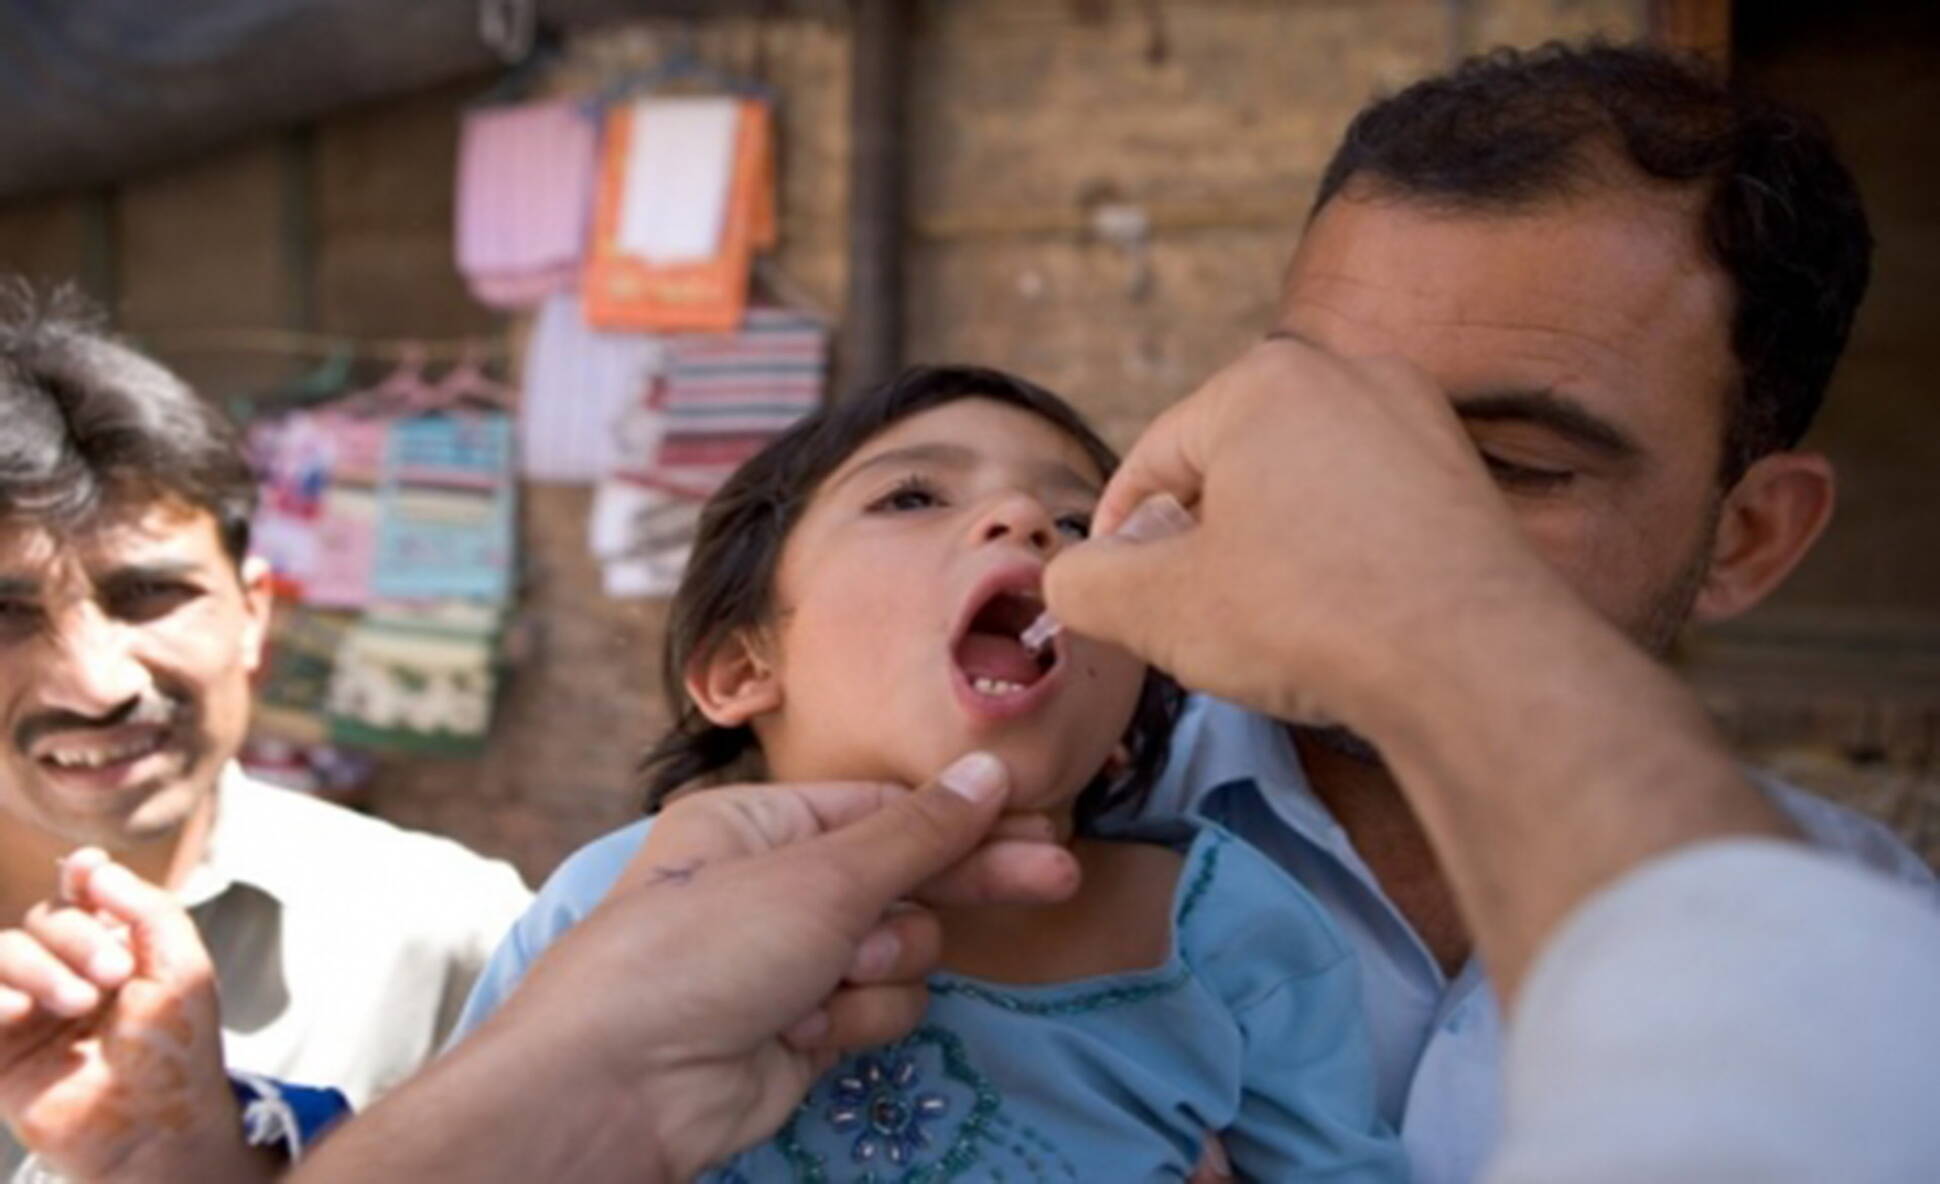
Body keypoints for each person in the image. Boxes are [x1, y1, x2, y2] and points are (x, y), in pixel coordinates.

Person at [1127, 42, 1937, 1184]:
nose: (1369, 517)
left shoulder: (1866, 974)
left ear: (1748, 538)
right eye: (1319, 425)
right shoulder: (1024, 826)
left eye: (1509, 462)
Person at [453, 365, 1405, 1180]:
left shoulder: (1235, 936)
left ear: (1125, 720)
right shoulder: (624, 905)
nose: (1027, 519)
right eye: (911, 496)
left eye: (1078, 522)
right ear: (745, 670)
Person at [0, 285, 533, 1177]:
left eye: (152, 596)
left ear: (253, 614)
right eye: (5, 615)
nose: (98, 686)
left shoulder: (451, 934)